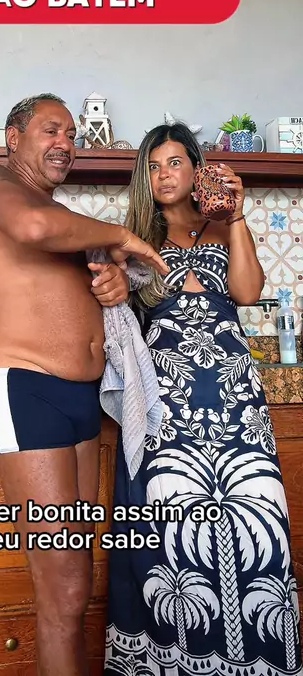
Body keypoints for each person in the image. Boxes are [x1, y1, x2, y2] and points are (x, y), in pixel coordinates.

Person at [0, 93, 169, 676]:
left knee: (77, 582)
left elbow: (86, 291)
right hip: (24, 388)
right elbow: (32, 226)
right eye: (51, 130)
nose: (65, 143)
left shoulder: (65, 221)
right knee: (61, 588)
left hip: (80, 401)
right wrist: (124, 236)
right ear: (13, 137)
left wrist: (113, 286)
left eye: (72, 135)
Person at [104, 122, 302, 675]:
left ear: (197, 169)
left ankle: (257, 660)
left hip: (236, 397)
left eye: (175, 162)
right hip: (166, 401)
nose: (164, 175)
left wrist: (236, 215)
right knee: (171, 529)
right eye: (153, 166)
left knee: (254, 515)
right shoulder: (132, 239)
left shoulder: (221, 226)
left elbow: (247, 292)